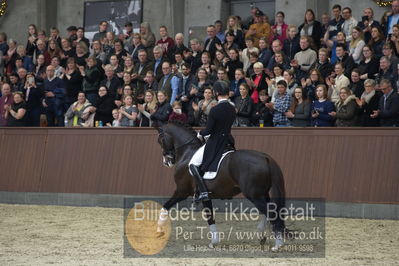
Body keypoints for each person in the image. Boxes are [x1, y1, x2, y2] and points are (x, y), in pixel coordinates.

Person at [188, 81, 236, 202]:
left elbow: (209, 130)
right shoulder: (232, 108)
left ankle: (203, 192)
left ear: (216, 93)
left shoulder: (215, 110)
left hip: (216, 141)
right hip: (228, 140)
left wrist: (200, 133)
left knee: (192, 164)